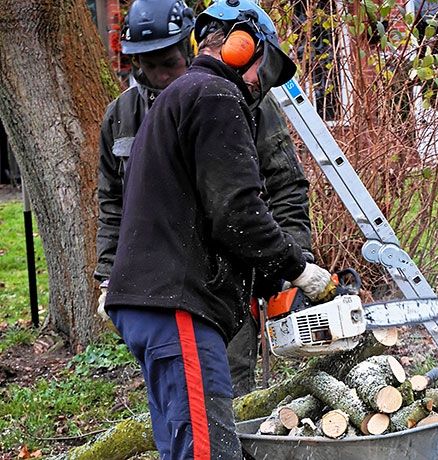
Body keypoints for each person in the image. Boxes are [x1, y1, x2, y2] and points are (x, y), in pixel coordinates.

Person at [104, 0, 333, 457]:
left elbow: (211, 214)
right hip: (178, 304)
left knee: (184, 446)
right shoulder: (214, 95)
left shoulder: (182, 95)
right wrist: (298, 269)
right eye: (261, 71)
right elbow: (236, 212)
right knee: (210, 452)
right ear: (239, 45)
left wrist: (271, 280)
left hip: (154, 303)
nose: (258, 86)